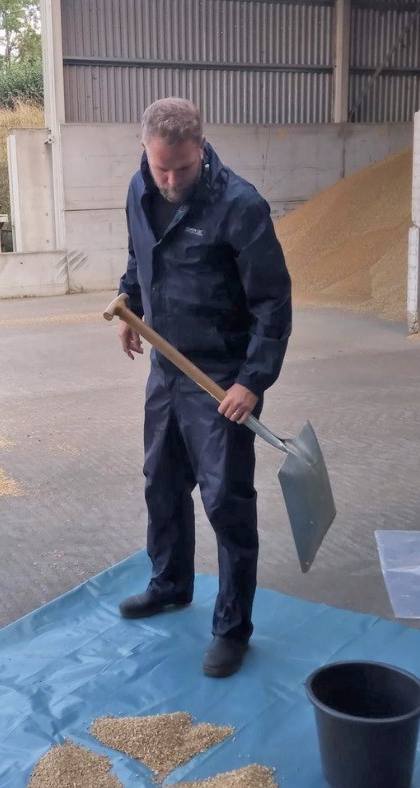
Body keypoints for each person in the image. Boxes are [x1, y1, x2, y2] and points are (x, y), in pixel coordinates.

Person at [115, 97, 292, 678]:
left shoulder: (239, 207)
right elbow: (139, 258)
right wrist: (131, 304)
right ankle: (169, 584)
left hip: (219, 383)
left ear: (202, 149)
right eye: (161, 167)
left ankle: (232, 628)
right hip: (166, 371)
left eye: (182, 170)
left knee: (226, 502)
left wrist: (252, 381)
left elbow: (273, 303)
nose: (170, 180)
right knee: (161, 484)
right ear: (145, 149)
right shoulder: (140, 191)